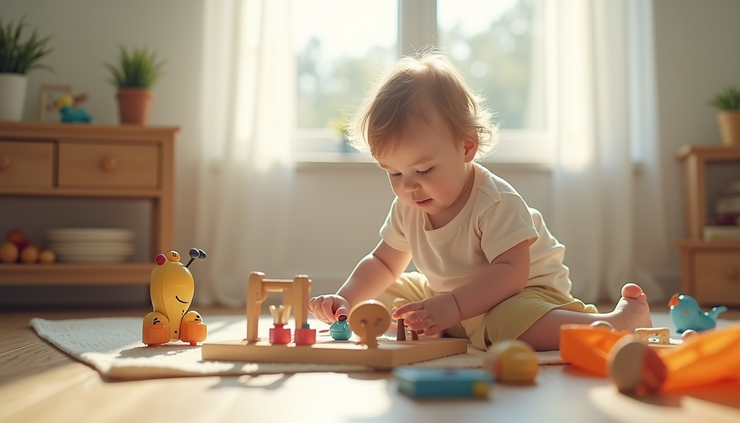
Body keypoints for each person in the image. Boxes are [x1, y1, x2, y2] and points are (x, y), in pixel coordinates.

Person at [307, 49, 652, 351]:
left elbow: (511, 273)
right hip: (452, 297)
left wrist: (453, 305)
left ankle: (617, 323)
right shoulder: (408, 205)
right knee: (388, 294)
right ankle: (443, 323)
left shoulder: (494, 201)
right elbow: (383, 263)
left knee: (507, 323)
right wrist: (347, 299)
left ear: (466, 147)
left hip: (521, 295)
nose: (409, 187)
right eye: (394, 174)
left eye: (424, 170)